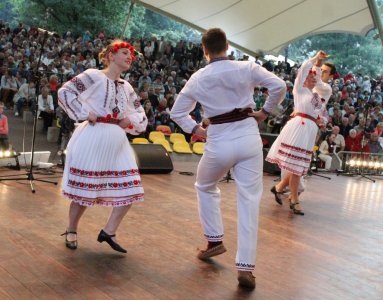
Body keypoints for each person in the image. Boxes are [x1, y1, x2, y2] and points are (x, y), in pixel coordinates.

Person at [170, 28, 286, 289]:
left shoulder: (198, 77)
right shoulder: (246, 67)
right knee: (249, 200)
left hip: (219, 140)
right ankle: (246, 267)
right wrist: (264, 112)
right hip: (248, 137)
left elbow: (177, 113)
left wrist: (196, 130)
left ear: (204, 49)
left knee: (204, 185)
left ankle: (214, 240)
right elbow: (279, 86)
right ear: (227, 46)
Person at [57, 40, 147, 253]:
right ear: (111, 56)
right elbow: (65, 92)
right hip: (93, 136)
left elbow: (139, 112)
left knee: (130, 189)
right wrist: (84, 113)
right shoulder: (93, 75)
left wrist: (130, 121)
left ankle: (109, 230)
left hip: (117, 140)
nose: (129, 57)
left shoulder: (127, 87)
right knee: (85, 192)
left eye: (130, 55)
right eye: (124, 52)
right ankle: (71, 229)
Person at [266, 50, 332, 216]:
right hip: (299, 127)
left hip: (309, 130)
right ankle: (294, 199)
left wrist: (321, 121)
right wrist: (316, 60)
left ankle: (280, 188)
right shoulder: (299, 90)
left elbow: (321, 114)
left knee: (298, 166)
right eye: (309, 77)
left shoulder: (316, 96)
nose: (311, 79)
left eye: (313, 77)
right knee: (296, 167)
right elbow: (303, 70)